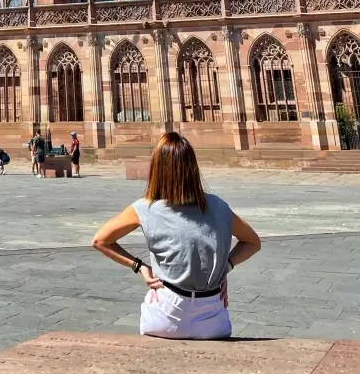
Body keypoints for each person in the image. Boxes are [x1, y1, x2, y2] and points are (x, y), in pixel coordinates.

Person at [91, 132, 261, 340]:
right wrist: (225, 267)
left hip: (164, 319)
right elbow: (253, 242)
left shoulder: (146, 208)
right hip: (213, 320)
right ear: (192, 168)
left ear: (157, 169)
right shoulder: (218, 206)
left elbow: (100, 240)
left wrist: (140, 267)